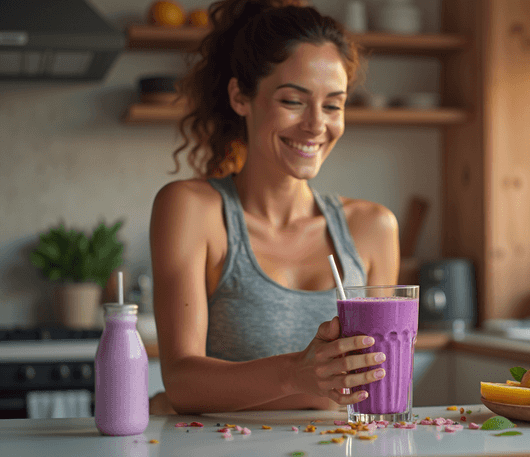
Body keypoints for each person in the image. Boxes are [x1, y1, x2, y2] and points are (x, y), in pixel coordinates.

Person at [149, 0, 400, 414]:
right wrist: (295, 374)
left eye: (333, 104)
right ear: (240, 97)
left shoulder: (373, 227)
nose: (317, 124)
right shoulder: (192, 210)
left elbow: (380, 385)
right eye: (293, 101)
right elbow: (180, 380)